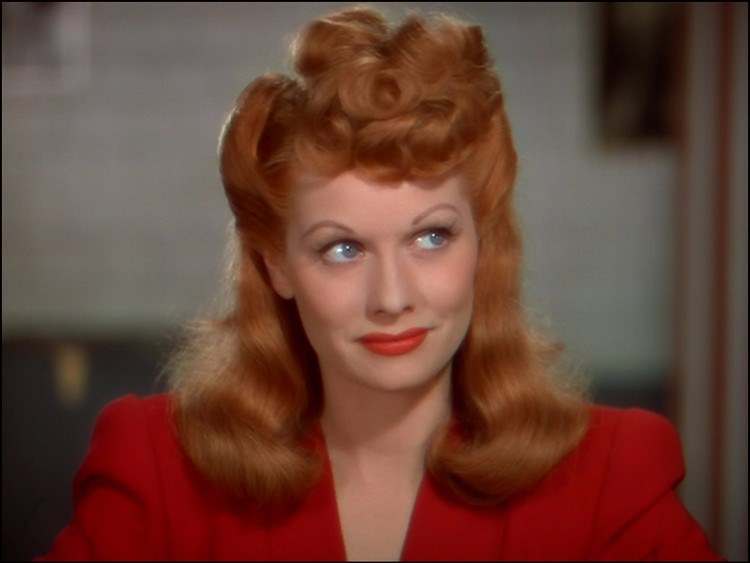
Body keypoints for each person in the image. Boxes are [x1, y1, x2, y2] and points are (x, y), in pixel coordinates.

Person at [39, 6, 721, 561]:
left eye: (432, 237)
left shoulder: (611, 479)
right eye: (342, 248)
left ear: (483, 241)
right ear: (276, 264)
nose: (392, 297)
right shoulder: (158, 471)